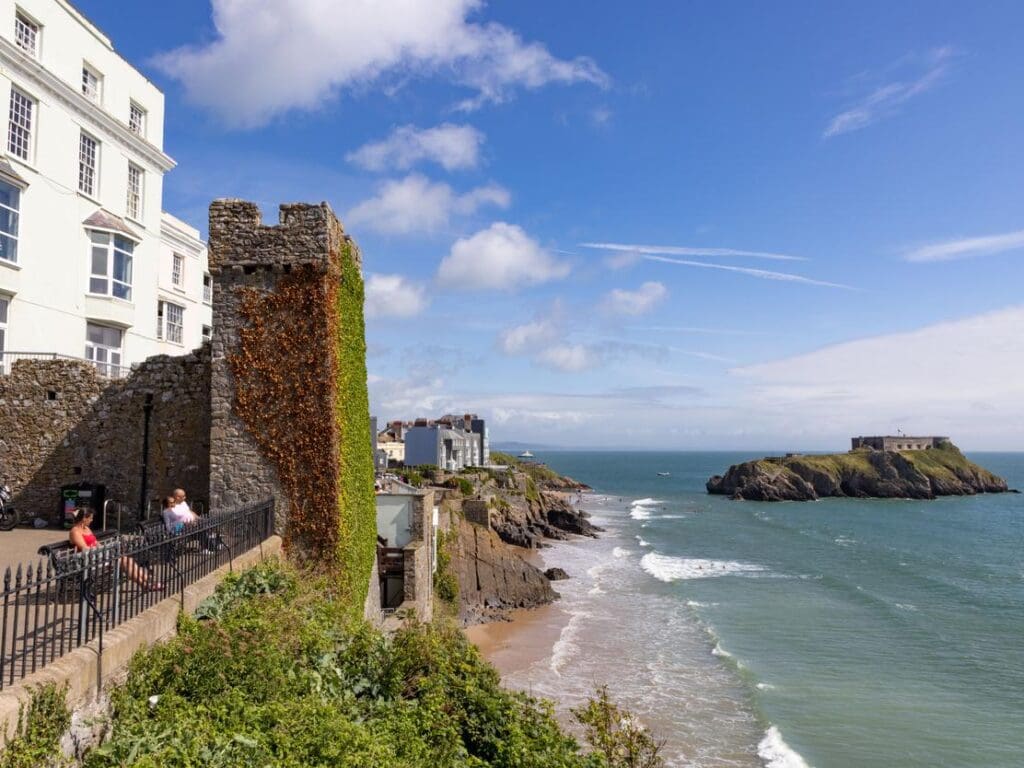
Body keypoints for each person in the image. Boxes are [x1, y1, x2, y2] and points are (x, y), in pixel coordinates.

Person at [69, 508, 159, 590]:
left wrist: (104, 548)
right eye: (90, 518)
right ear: (84, 518)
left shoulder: (87, 528)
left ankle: (147, 581)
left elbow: (95, 542)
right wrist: (102, 551)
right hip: (88, 560)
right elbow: (85, 548)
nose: (91, 520)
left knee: (127, 560)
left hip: (98, 555)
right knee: (123, 561)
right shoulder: (75, 531)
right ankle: (146, 584)